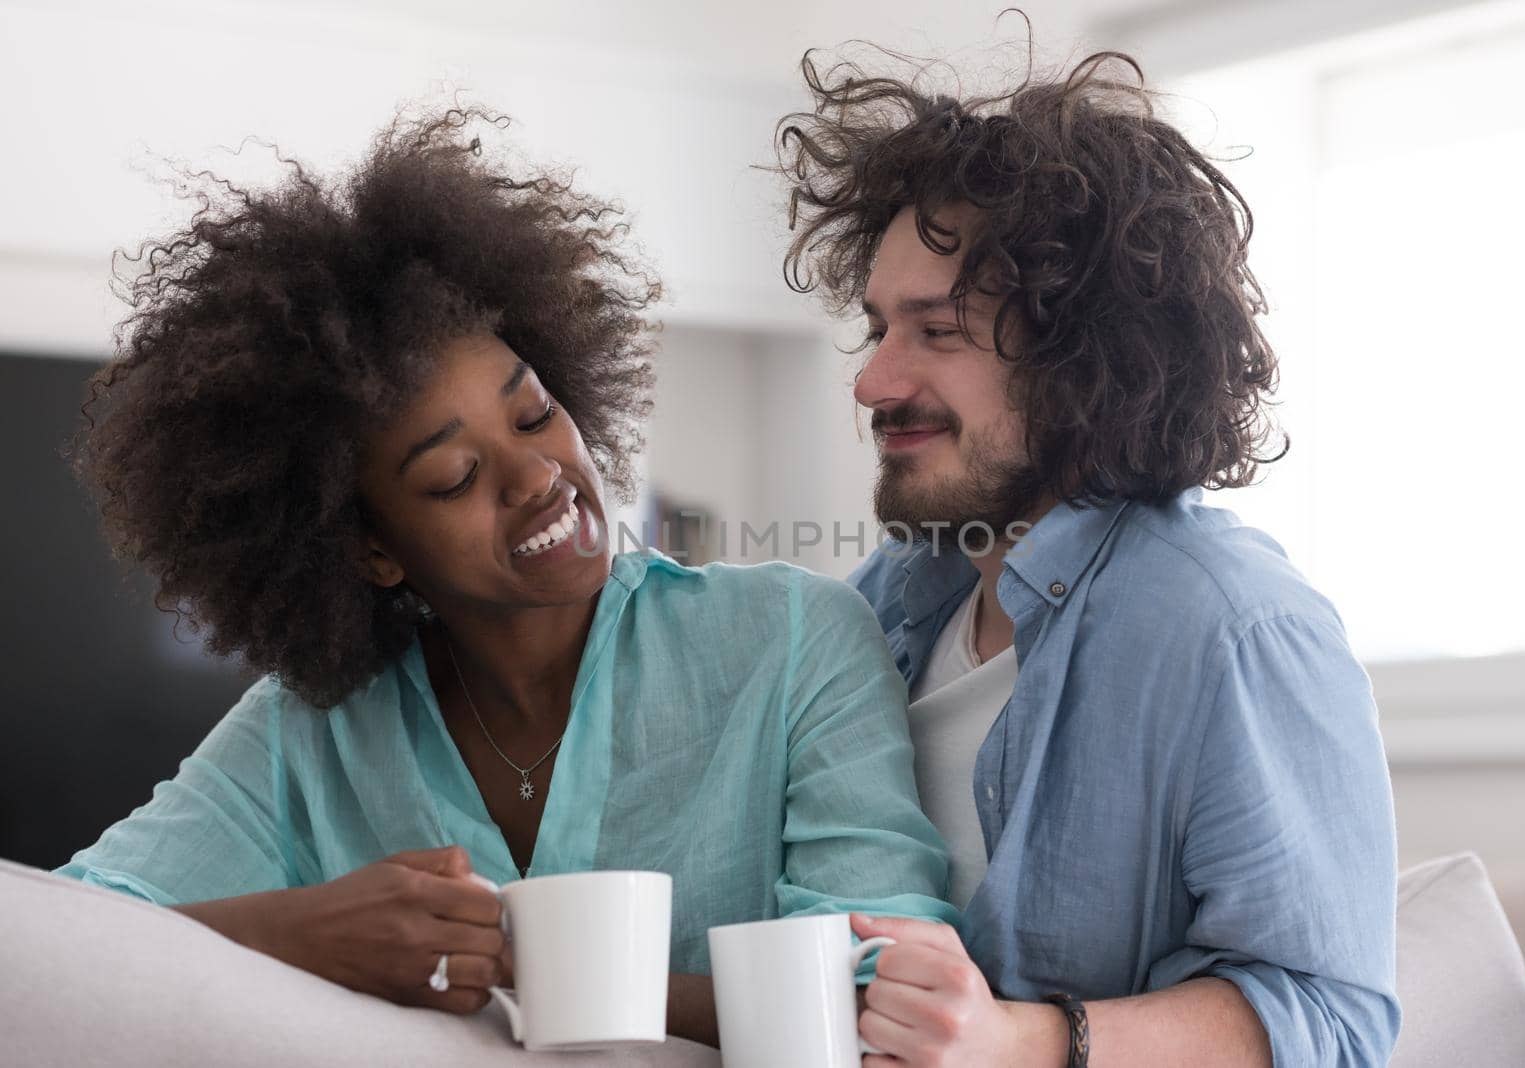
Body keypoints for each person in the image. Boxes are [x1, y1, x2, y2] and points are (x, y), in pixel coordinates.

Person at [57, 107, 956, 1048]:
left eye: (533, 417)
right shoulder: (311, 735)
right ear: (370, 548)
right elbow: (59, 940)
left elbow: (887, 995)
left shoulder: (793, 639)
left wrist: (543, 969)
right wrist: (305, 936)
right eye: (454, 478)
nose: (536, 478)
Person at [775, 47, 1400, 1067]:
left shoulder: (1235, 629)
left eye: (938, 331)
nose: (873, 382)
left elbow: (1333, 1020)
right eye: (880, 327)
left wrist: (1020, 1042)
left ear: (1087, 361)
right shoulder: (881, 607)